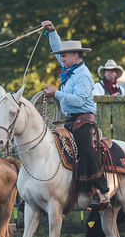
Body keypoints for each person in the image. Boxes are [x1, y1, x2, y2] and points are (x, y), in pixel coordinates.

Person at [40, 20, 109, 209]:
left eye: (65, 55)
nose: (61, 58)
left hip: (84, 121)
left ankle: (100, 190)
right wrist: (52, 32)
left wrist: (56, 93)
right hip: (70, 121)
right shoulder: (69, 69)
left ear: (76, 56)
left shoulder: (83, 75)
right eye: (61, 56)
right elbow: (57, 47)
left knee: (87, 150)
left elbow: (78, 101)